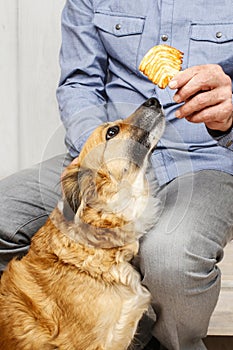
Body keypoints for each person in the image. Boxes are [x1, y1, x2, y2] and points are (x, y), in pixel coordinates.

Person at [0, 0, 233, 349]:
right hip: (106, 154)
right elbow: (79, 84)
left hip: (204, 158)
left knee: (171, 260)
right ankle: (83, 321)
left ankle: (167, 340)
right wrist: (99, 163)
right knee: (4, 214)